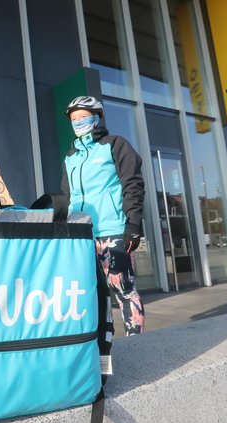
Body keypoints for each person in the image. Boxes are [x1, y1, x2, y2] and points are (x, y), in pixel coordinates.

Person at [61, 96, 145, 336]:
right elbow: (68, 197)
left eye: (83, 117)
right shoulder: (70, 157)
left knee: (124, 289)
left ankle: (137, 342)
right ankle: (99, 343)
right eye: (74, 119)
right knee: (90, 292)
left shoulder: (115, 145)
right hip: (81, 234)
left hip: (113, 231)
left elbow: (133, 186)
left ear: (96, 117)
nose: (78, 122)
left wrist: (134, 224)